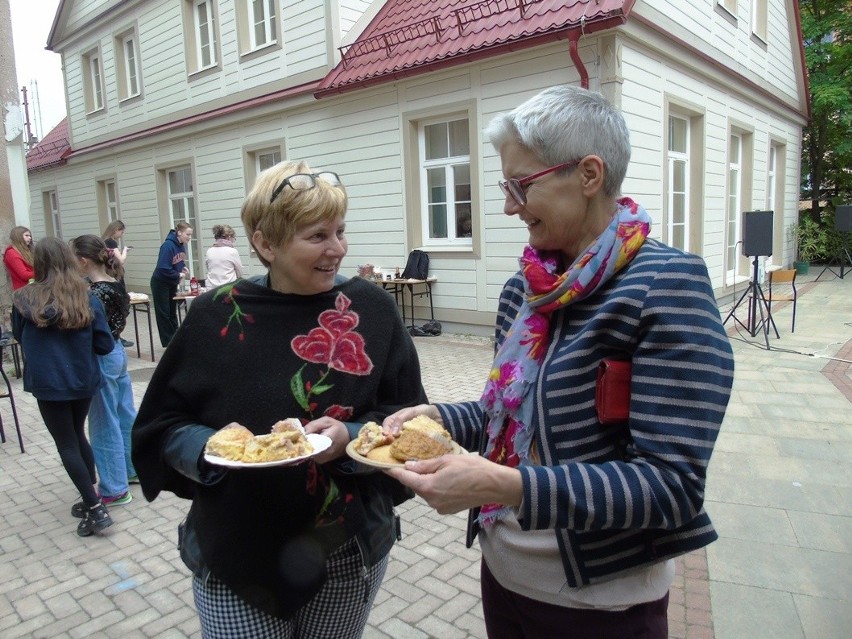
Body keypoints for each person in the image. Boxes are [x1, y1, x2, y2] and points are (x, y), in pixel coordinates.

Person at [383, 85, 736, 639]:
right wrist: (438, 419)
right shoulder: (525, 291)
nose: (506, 206)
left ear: (589, 175)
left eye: (521, 185)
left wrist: (507, 487)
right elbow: (512, 417)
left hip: (602, 606)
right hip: (504, 576)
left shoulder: (667, 287)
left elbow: (671, 487)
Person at [132, 160, 426, 638]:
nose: (338, 250)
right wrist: (214, 449)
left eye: (341, 231)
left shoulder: (371, 310)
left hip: (346, 549)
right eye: (317, 236)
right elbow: (161, 424)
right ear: (265, 242)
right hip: (236, 550)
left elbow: (407, 415)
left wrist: (348, 438)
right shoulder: (215, 316)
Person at [12, 237, 116, 537]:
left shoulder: (24, 299)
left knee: (67, 441)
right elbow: (105, 344)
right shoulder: (86, 295)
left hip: (49, 381)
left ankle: (95, 508)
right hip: (82, 379)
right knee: (76, 434)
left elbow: (20, 337)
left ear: (39, 262)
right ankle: (90, 497)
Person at [72, 234, 139, 509]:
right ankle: (132, 468)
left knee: (103, 422)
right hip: (116, 354)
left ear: (83, 261)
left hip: (102, 356)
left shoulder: (93, 294)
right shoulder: (116, 284)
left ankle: (113, 487)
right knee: (124, 414)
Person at [150, 221, 192, 347]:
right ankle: (168, 341)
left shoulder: (181, 245)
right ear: (179, 233)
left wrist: (182, 267)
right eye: (188, 234)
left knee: (172, 312)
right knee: (164, 313)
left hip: (171, 282)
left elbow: (177, 261)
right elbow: (163, 267)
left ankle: (175, 338)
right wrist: (178, 275)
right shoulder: (167, 246)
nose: (189, 237)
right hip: (160, 283)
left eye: (190, 235)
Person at [102, 221, 134, 347]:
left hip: (108, 274)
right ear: (116, 230)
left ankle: (115, 335)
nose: (121, 234)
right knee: (120, 306)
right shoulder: (111, 242)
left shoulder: (102, 241)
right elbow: (120, 260)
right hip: (115, 274)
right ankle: (117, 335)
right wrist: (125, 250)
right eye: (121, 231)